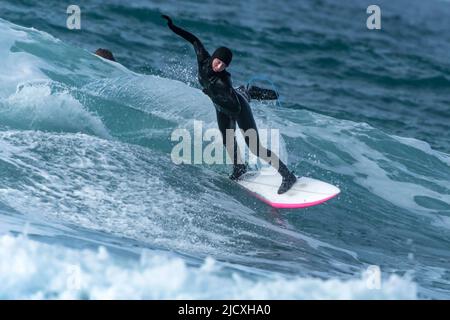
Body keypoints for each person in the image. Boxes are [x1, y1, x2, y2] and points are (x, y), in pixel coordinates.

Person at [162, 15, 297, 194]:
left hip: (238, 108)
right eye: (218, 62)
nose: (219, 67)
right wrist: (173, 26)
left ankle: (287, 176)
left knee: (255, 147)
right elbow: (194, 40)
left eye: (223, 66)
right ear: (213, 58)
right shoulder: (203, 59)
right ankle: (240, 167)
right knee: (228, 141)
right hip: (221, 108)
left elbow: (232, 105)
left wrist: (210, 92)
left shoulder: (224, 80)